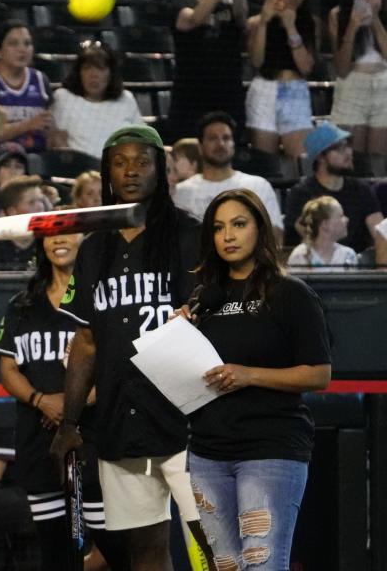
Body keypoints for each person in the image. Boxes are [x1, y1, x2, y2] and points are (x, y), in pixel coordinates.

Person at [51, 125, 207, 569]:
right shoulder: (94, 247)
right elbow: (85, 342)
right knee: (143, 552)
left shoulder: (190, 235)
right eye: (120, 162)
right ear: (107, 172)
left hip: (188, 420)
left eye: (142, 161)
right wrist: (70, 422)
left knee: (213, 548)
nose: (131, 171)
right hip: (121, 422)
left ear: (161, 168)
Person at [176, 188, 331, 570]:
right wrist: (177, 337)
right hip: (208, 450)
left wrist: (249, 375)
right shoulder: (202, 299)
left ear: (260, 229)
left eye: (238, 224)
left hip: (270, 448)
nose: (227, 235)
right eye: (218, 227)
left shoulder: (290, 293)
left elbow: (319, 374)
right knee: (224, 567)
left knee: (261, 564)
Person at [0, 231, 130, 571]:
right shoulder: (22, 304)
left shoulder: (103, 298)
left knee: (111, 541)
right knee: (52, 545)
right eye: (50, 235)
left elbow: (118, 366)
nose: (58, 241)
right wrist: (41, 400)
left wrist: (72, 406)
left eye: (68, 233)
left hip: (92, 435)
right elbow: (7, 368)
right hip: (38, 438)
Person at [167, 0, 248, 141]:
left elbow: (242, 13)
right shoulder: (181, 9)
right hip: (191, 103)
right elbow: (194, 19)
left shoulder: (228, 11)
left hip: (228, 100)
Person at [173, 112, 284, 243]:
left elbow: (275, 237)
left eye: (226, 138)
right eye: (213, 138)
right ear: (200, 147)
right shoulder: (180, 192)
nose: (220, 144)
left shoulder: (258, 185)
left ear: (233, 144)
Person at [245, 0, 318, 158]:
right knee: (265, 161)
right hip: (263, 89)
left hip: (294, 89)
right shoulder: (256, 22)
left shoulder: (310, 23)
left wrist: (291, 27)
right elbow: (257, 61)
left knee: (302, 159)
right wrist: (264, 21)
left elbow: (306, 66)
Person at [283, 121, 383, 254]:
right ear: (321, 156)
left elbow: (380, 232)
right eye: (340, 147)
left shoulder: (361, 189)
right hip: (317, 266)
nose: (348, 152)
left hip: (357, 267)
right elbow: (308, 237)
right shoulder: (301, 193)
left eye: (349, 145)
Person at [329, 0, 387, 160]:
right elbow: (342, 69)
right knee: (352, 158)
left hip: (384, 86)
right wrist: (353, 25)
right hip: (353, 85)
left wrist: (375, 19)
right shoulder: (338, 15)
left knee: (380, 161)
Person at [50, 41, 143, 163]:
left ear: (111, 73)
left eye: (100, 68)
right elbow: (54, 138)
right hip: (78, 173)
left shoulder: (126, 99)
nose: (93, 75)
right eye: (87, 68)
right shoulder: (63, 97)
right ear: (78, 73)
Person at [0, 19, 53, 152]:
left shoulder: (41, 80)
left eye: (27, 43)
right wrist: (28, 125)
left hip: (39, 161)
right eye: (13, 44)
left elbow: (50, 128)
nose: (22, 49)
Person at [288, 195, 358, 266]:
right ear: (325, 224)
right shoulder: (299, 256)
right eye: (341, 216)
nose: (346, 220)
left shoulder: (348, 255)